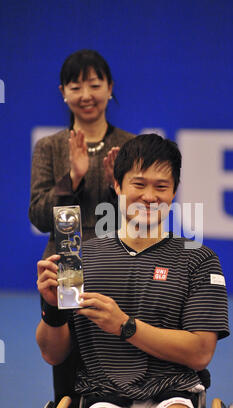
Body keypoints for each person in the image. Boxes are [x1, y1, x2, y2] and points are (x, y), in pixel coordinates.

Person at [36, 134, 229, 408]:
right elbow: (52, 353)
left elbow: (200, 353)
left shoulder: (199, 259)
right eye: (138, 185)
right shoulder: (80, 258)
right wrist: (52, 311)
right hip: (104, 397)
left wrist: (125, 326)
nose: (150, 196)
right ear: (117, 185)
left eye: (161, 187)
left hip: (174, 393)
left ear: (175, 192)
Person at [29, 49, 135, 259]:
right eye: (76, 88)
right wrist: (72, 180)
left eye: (95, 86)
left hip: (118, 263)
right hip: (64, 265)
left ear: (109, 88)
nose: (86, 96)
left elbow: (142, 217)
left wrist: (115, 187)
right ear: (63, 93)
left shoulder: (131, 145)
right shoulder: (49, 146)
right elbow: (39, 219)